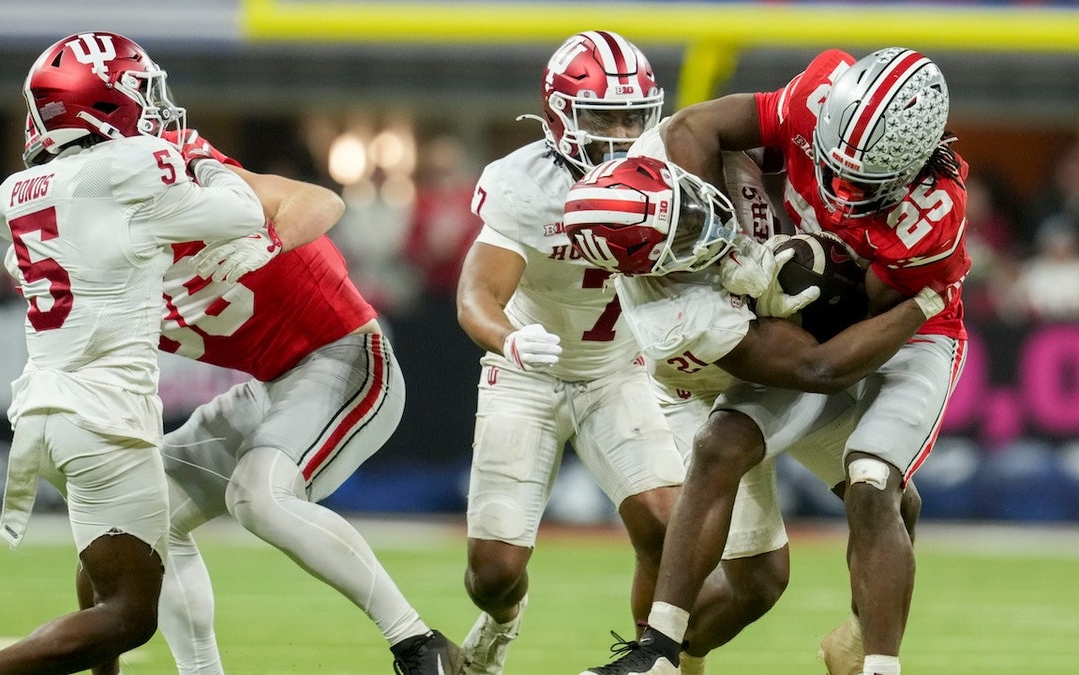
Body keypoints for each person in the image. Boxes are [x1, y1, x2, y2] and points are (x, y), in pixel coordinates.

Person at [581, 47, 971, 675]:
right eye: (832, 164)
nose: (840, 193)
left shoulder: (932, 214)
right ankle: (658, 651)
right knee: (724, 445)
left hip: (904, 328)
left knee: (875, 482)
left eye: (860, 182)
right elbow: (814, 365)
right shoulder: (679, 315)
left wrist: (925, 297)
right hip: (782, 341)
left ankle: (874, 660)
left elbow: (848, 343)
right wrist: (740, 254)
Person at [455, 30, 791, 675]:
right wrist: (509, 338)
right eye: (602, 117)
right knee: (493, 573)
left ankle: (653, 664)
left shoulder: (677, 167)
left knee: (668, 536)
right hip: (527, 370)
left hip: (620, 369)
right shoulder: (523, 182)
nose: (620, 134)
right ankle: (501, 623)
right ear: (558, 115)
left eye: (633, 117)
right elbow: (476, 294)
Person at [0, 31, 268, 675]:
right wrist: (202, 161)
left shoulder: (17, 194)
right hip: (106, 416)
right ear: (102, 103)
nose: (156, 107)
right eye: (140, 91)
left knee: (108, 565)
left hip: (45, 412)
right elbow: (242, 213)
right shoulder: (129, 165)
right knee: (130, 612)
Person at [152, 129, 464, 675]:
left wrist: (264, 241)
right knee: (143, 507)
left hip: (344, 354)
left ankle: (420, 647)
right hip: (272, 383)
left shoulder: (189, 178)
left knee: (259, 495)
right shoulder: (99, 267)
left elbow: (322, 200)